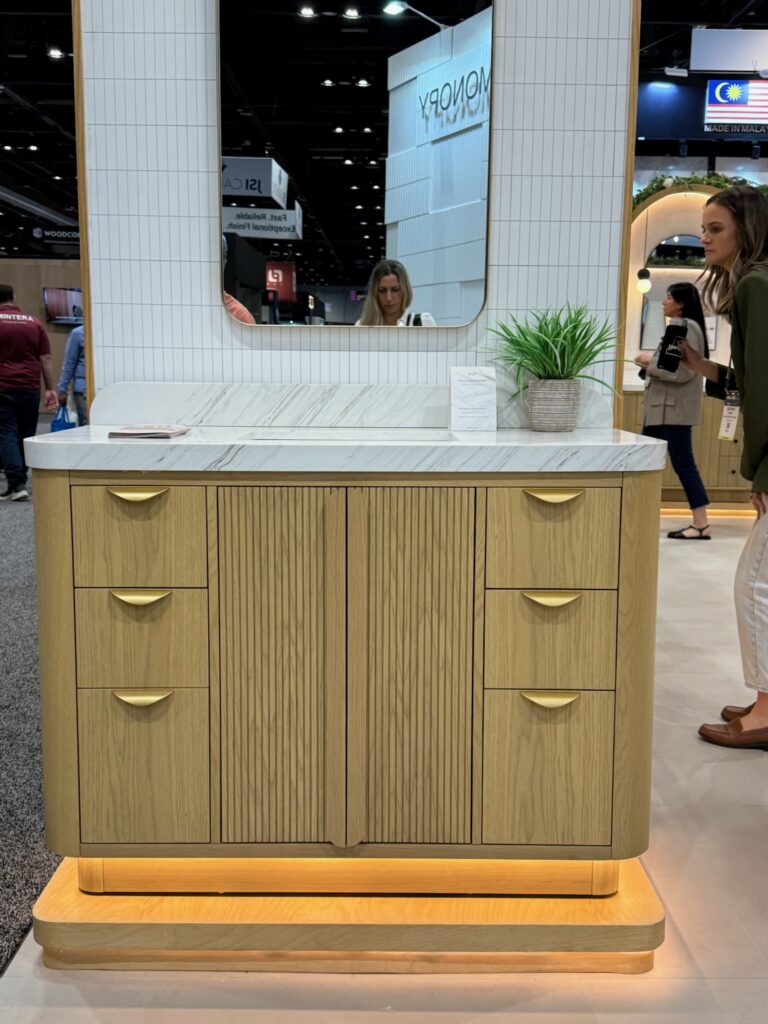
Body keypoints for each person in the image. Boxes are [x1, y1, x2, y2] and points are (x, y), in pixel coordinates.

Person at [679, 185, 768, 750]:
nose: (704, 239)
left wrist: (760, 472)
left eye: (715, 229)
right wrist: (701, 367)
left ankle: (764, 712)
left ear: (746, 229)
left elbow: (764, 393)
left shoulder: (756, 286)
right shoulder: (756, 284)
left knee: (754, 585)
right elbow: (749, 382)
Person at [635, 282, 711, 539]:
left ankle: (701, 523)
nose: (664, 303)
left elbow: (680, 371)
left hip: (672, 412)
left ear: (680, 303)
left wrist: (648, 361)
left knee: (683, 465)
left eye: (668, 298)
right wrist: (652, 363)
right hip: (663, 410)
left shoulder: (685, 328)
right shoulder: (682, 328)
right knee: (648, 462)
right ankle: (641, 514)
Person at [0, 284, 57, 501]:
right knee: (26, 433)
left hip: (3, 386)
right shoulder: (34, 323)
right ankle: (19, 481)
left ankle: (16, 482)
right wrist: (50, 388)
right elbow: (46, 358)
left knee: (6, 432)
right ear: (13, 297)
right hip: (30, 386)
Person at [356, 259, 436, 327]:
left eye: (395, 289)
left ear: (405, 290)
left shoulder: (423, 323)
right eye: (382, 290)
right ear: (375, 293)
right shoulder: (361, 326)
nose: (389, 298)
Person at [57, 323, 88, 425]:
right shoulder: (78, 333)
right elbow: (70, 362)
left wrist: (62, 389)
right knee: (87, 426)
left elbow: (70, 362)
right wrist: (62, 389)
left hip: (93, 388)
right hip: (83, 389)